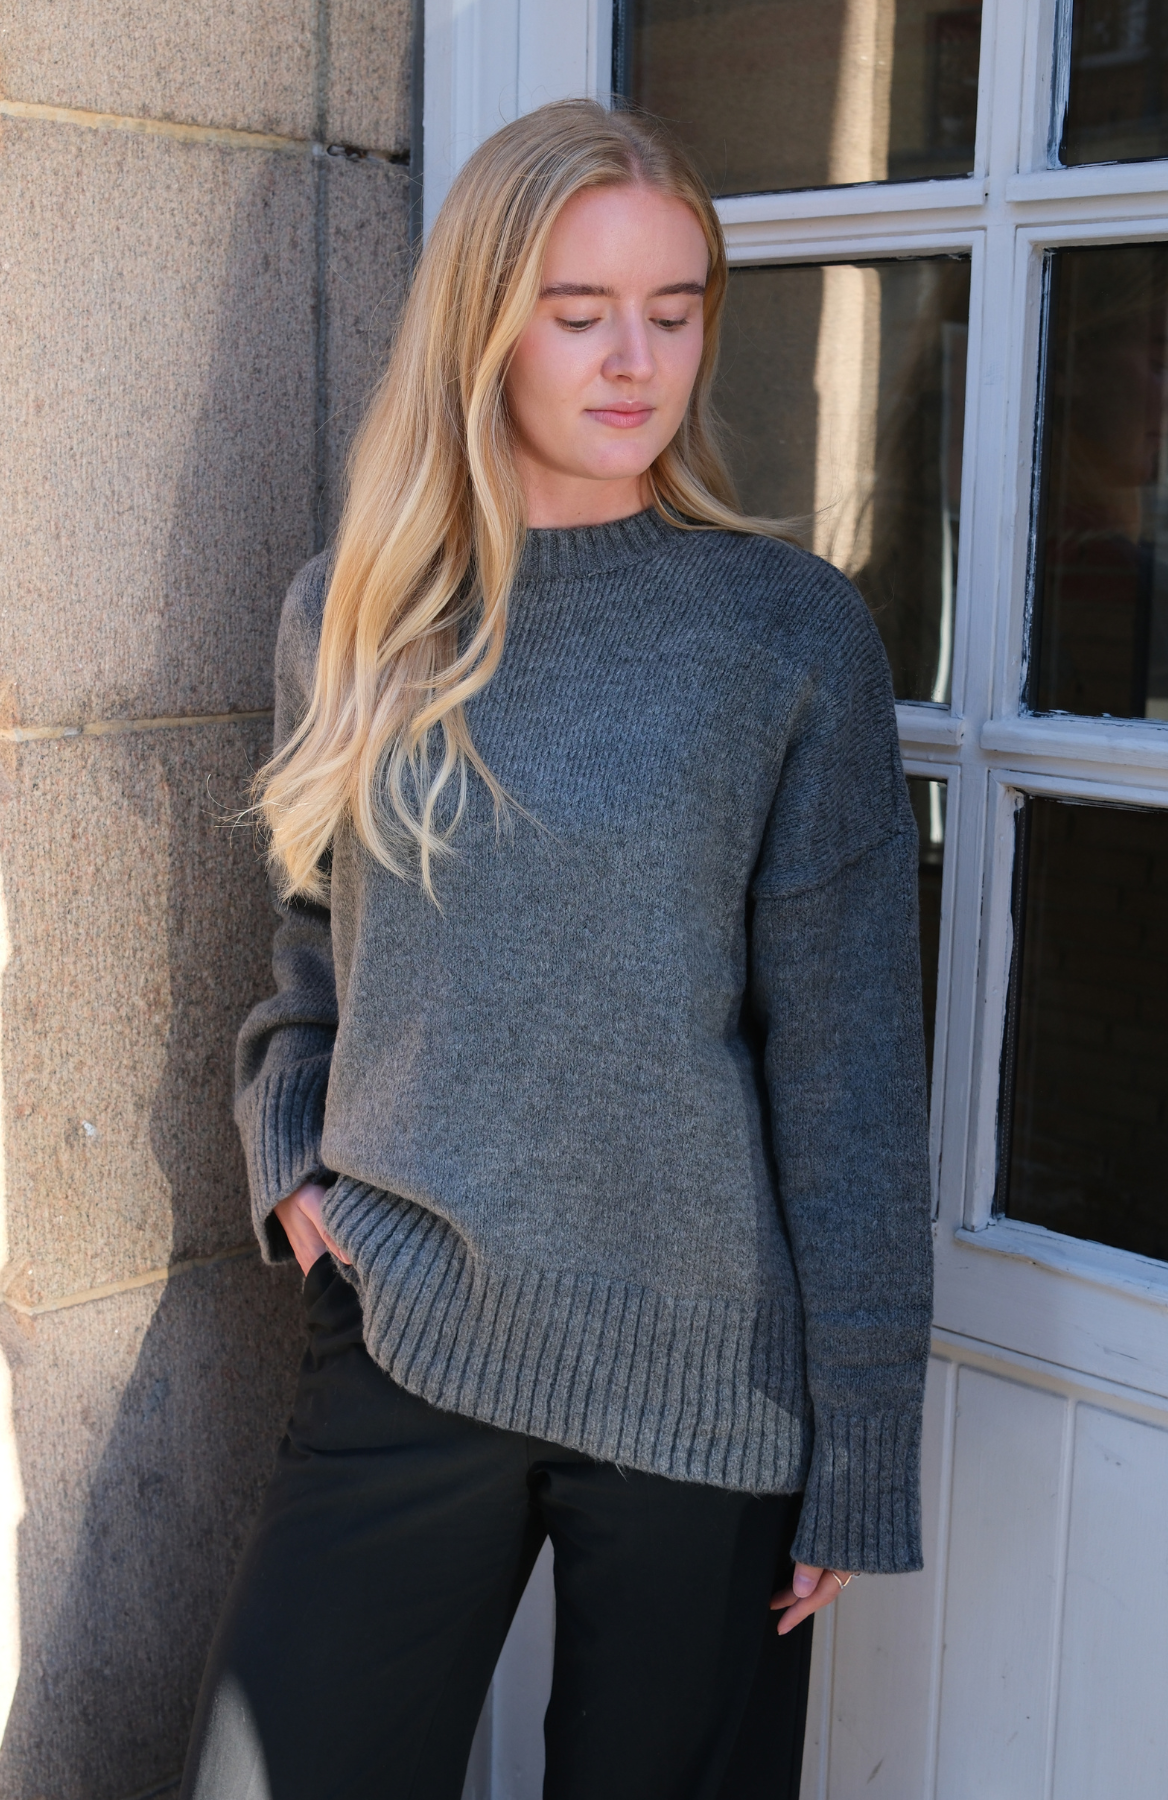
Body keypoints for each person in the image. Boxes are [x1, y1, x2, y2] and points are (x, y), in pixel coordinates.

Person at [181, 99, 933, 1800]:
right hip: (407, 1321)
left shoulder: (784, 635)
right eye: (579, 312)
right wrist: (292, 1145)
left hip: (705, 1380)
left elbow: (853, 1075)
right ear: (484, 324)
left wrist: (863, 1442)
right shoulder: (361, 610)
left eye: (674, 311)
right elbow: (316, 932)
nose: (634, 361)